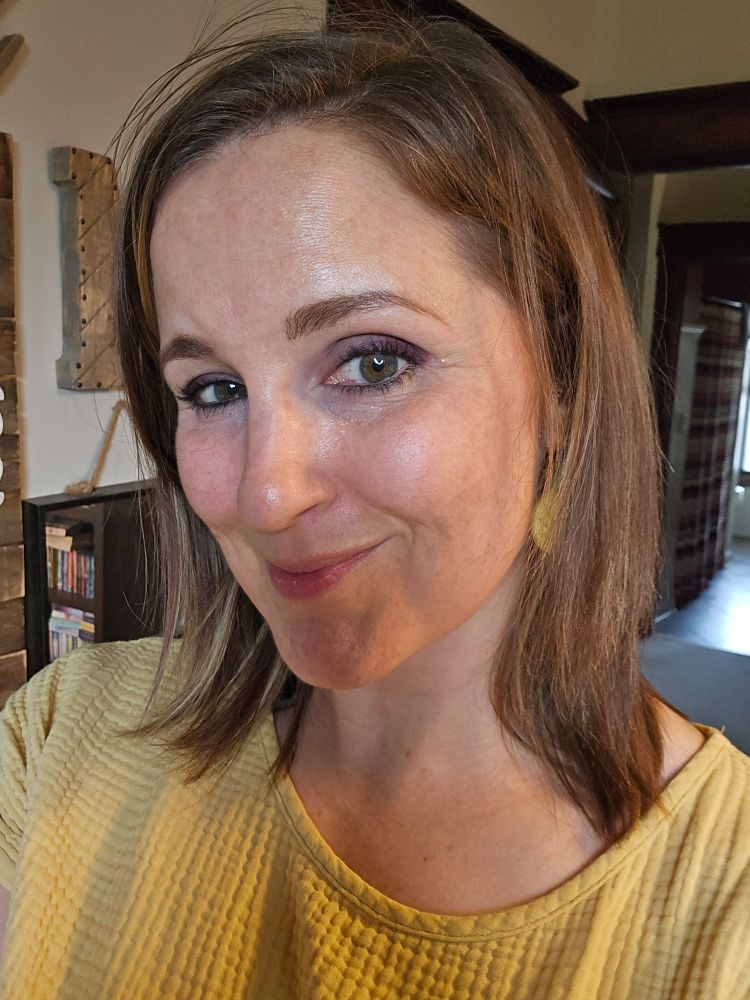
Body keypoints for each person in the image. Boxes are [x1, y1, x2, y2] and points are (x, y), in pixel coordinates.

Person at [0, 6, 748, 998]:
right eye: (213, 388)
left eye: (372, 360)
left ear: (560, 380)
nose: (267, 495)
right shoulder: (60, 736)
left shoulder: (722, 902)